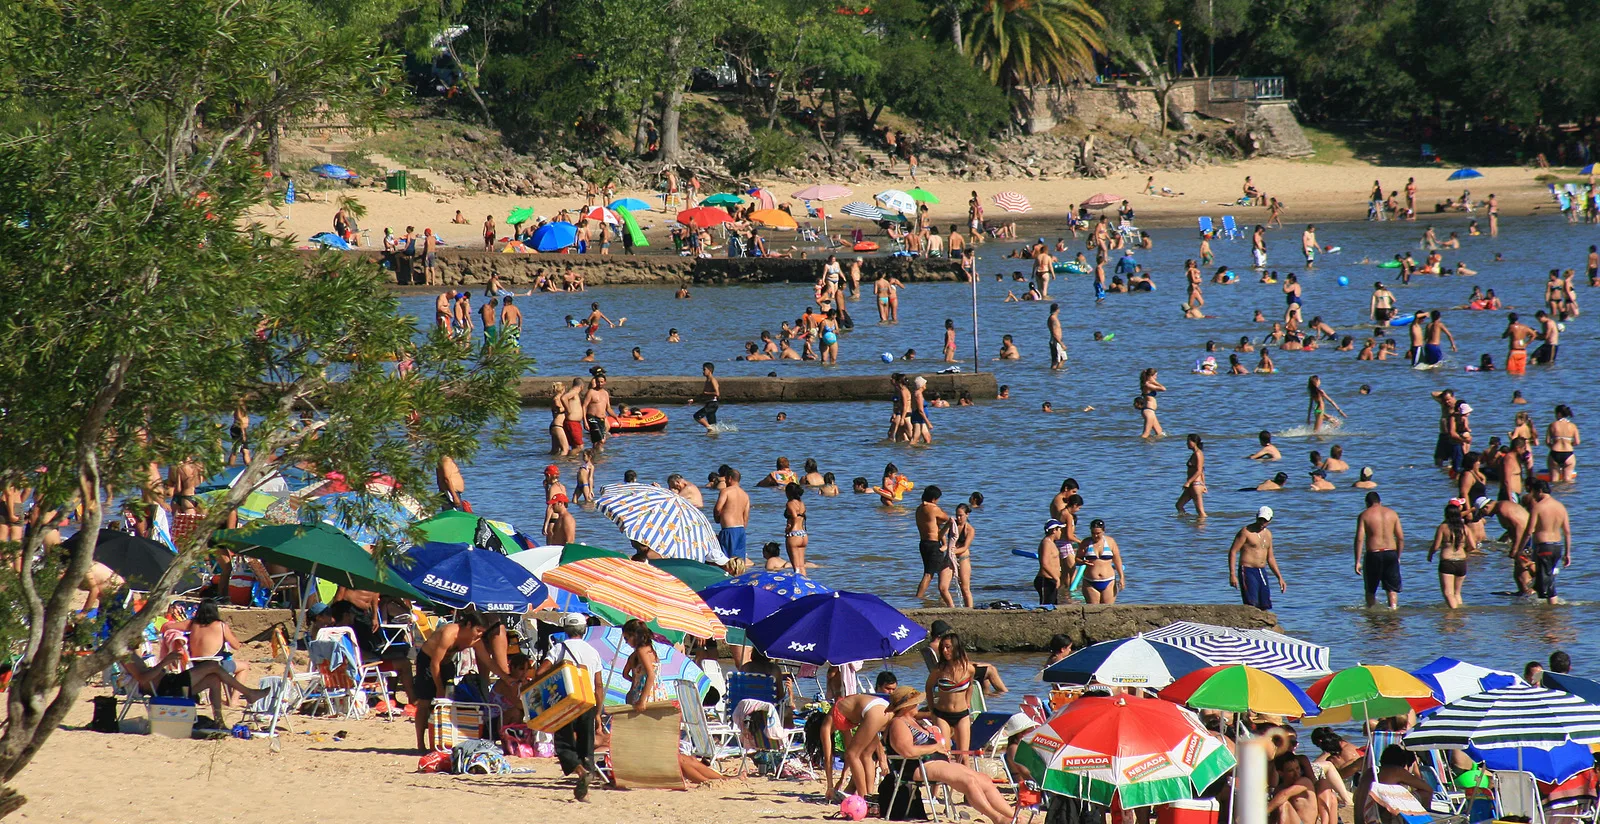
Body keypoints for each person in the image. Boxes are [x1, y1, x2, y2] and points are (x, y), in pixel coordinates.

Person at [882, 687, 1016, 824]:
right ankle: (997, 818)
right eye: (915, 702)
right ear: (907, 706)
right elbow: (907, 751)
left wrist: (934, 737)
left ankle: (1014, 816)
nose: (918, 705)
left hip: (934, 762)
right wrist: (935, 747)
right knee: (969, 781)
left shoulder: (913, 721)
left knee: (984, 779)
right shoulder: (898, 723)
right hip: (917, 766)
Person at [924, 632, 1006, 760]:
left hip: (962, 714)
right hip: (942, 714)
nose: (945, 651)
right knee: (946, 753)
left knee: (964, 756)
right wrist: (931, 709)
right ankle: (948, 779)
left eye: (948, 647)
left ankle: (964, 776)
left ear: (956, 647)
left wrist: (967, 702)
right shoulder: (939, 669)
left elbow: (970, 686)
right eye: (943, 648)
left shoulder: (969, 669)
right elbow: (929, 687)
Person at [414, 610, 487, 752]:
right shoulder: (449, 633)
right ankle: (420, 743)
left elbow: (488, 661)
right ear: (469, 625)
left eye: (482, 632)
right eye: (478, 630)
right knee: (424, 703)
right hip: (428, 661)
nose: (479, 634)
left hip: (447, 664)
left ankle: (442, 740)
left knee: (447, 703)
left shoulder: (475, 640)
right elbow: (434, 663)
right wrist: (439, 688)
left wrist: (506, 676)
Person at [819, 691, 893, 800]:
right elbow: (849, 748)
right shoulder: (841, 714)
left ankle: (863, 798)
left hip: (872, 711)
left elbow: (828, 758)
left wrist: (830, 786)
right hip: (885, 707)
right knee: (865, 754)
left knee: (853, 755)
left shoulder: (827, 724)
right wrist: (843, 777)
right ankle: (869, 795)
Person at [1516, 480, 1571, 604]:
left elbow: (1529, 531)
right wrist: (1567, 553)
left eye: (1534, 493)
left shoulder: (1538, 507)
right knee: (1546, 577)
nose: (1533, 496)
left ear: (1539, 491)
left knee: (1546, 580)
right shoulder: (1561, 507)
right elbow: (1567, 532)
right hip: (1557, 547)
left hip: (1544, 547)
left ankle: (1548, 612)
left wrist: (1520, 549)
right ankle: (1546, 609)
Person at [1354, 491, 1404, 609]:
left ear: (1367, 503)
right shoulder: (1392, 513)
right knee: (1392, 588)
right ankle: (1393, 610)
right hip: (1391, 553)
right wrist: (1398, 556)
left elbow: (1359, 539)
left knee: (1371, 589)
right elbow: (1401, 538)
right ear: (1380, 502)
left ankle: (1371, 615)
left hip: (1373, 554)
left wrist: (1357, 561)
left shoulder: (1365, 515)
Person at [1229, 507, 1285, 609]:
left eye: (1265, 521)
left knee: (1265, 604)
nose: (1262, 523)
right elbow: (1233, 551)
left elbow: (1270, 558)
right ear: (1256, 517)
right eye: (1260, 519)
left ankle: (1263, 625)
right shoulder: (1246, 532)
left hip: (1261, 571)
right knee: (1251, 603)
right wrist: (1232, 574)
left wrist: (1279, 577)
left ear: (1270, 520)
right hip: (1247, 570)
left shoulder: (1268, 534)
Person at [914, 486, 955, 608]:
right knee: (930, 574)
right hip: (932, 544)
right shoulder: (933, 508)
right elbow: (947, 518)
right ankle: (919, 598)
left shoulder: (919, 509)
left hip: (923, 543)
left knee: (932, 571)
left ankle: (938, 599)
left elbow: (936, 523)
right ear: (933, 499)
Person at [1077, 519, 1124, 604]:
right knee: (1092, 610)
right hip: (1090, 581)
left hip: (1109, 581)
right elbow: (1077, 559)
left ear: (1103, 531)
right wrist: (1082, 562)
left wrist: (1122, 578)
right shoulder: (1086, 542)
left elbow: (1117, 560)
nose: (1095, 536)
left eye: (1098, 533)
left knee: (1107, 610)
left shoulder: (1110, 542)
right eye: (1093, 533)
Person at [620, 619, 657, 712]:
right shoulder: (650, 649)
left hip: (643, 695)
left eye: (626, 638)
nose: (626, 642)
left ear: (634, 636)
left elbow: (651, 675)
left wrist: (642, 700)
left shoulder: (639, 652)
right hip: (655, 692)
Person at [715, 466, 749, 560]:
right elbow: (746, 517)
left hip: (729, 530)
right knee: (739, 561)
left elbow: (718, 508)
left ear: (729, 479)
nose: (725, 482)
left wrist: (717, 518)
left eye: (725, 479)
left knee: (726, 560)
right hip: (741, 530)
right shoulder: (745, 495)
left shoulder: (726, 491)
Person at [1034, 520, 1069, 605]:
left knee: (1053, 605)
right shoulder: (1046, 543)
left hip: (1051, 580)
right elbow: (1044, 564)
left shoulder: (1051, 543)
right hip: (1045, 580)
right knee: (1046, 606)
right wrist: (1056, 578)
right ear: (1054, 530)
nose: (1061, 532)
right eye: (1059, 529)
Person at [1176, 434, 1207, 518]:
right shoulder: (1194, 454)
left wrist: (1188, 482)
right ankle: (1187, 524)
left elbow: (1199, 470)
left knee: (1200, 511)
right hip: (1191, 485)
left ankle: (1202, 529)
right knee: (1179, 505)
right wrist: (1204, 484)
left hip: (1195, 484)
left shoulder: (1198, 454)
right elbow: (1202, 470)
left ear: (1194, 442)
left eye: (1188, 441)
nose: (1187, 443)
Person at [1547, 405, 1580, 482]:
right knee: (1568, 480)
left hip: (1555, 453)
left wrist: (1553, 446)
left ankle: (1556, 494)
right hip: (1568, 454)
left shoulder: (1552, 425)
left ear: (1558, 414)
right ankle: (1567, 494)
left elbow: (1547, 442)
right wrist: (1569, 444)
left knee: (1554, 480)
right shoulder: (1573, 426)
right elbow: (1577, 442)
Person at [783, 482, 809, 574]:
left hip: (794, 534)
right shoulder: (802, 503)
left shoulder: (790, 503)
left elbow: (794, 516)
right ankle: (806, 585)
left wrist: (790, 528)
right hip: (803, 534)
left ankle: (798, 586)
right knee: (802, 566)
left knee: (796, 568)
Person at [691, 362, 720, 432]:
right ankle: (713, 436)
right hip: (709, 403)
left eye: (704, 369)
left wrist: (707, 393)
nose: (703, 371)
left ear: (709, 370)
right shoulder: (707, 380)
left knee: (697, 416)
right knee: (713, 424)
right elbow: (703, 394)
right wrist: (694, 400)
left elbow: (717, 393)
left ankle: (710, 429)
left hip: (713, 404)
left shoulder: (713, 380)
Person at [1047, 303, 1066, 370]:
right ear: (1057, 309)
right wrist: (1061, 343)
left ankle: (1057, 372)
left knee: (1063, 358)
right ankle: (1054, 374)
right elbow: (1054, 333)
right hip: (1055, 341)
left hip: (1058, 341)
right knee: (1055, 361)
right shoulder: (1053, 318)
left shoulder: (1054, 318)